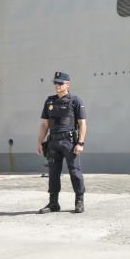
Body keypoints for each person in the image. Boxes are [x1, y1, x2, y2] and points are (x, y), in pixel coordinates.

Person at [36, 72, 87, 213]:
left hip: (69, 143)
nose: (57, 86)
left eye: (60, 83)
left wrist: (80, 143)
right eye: (55, 83)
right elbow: (44, 124)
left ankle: (79, 201)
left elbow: (82, 124)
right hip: (53, 143)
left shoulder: (75, 101)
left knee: (75, 172)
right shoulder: (49, 101)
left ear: (67, 84)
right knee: (53, 173)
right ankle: (53, 203)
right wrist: (40, 142)